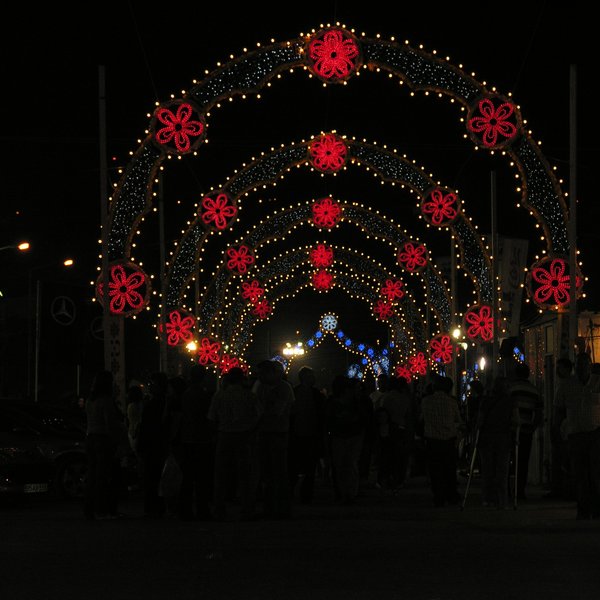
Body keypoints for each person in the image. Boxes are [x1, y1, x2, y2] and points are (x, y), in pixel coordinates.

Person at [208, 366, 263, 521]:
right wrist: (252, 428)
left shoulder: (220, 395)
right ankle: (247, 508)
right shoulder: (249, 395)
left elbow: (212, 417)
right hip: (244, 435)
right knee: (245, 474)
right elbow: (260, 414)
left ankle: (219, 508)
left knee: (221, 474)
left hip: (224, 434)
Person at [553, 352, 600, 520]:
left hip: (595, 434)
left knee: (595, 474)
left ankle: (596, 508)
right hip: (575, 435)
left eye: (585, 364)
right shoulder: (566, 385)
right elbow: (559, 409)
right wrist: (557, 428)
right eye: (579, 364)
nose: (582, 368)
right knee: (579, 474)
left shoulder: (597, 382)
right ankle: (583, 508)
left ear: (590, 365)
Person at [253, 360, 295, 519]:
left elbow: (277, 411)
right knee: (267, 472)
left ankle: (281, 508)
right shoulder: (259, 386)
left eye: (263, 373)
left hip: (278, 433)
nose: (260, 376)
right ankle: (269, 507)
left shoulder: (284, 388)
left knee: (279, 471)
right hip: (264, 432)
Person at [83, 370, 122, 520]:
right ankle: (102, 509)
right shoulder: (106, 400)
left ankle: (90, 509)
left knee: (92, 475)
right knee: (103, 476)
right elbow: (110, 423)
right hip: (103, 439)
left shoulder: (90, 400)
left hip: (90, 437)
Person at [178, 364, 216, 520]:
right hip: (202, 439)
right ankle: (202, 509)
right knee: (202, 477)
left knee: (188, 477)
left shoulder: (186, 395)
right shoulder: (204, 395)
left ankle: (186, 509)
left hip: (188, 438)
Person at [419, 375, 463, 507]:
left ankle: (438, 496)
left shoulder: (426, 401)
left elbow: (421, 418)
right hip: (448, 439)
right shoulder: (451, 402)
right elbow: (458, 420)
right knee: (449, 469)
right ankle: (451, 495)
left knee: (435, 470)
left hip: (432, 439)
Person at [477, 376, 520, 509]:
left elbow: (480, 420)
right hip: (503, 438)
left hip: (487, 438)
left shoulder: (486, 401)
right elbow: (516, 420)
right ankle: (502, 500)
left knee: (487, 469)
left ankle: (487, 498)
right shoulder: (510, 402)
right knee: (502, 470)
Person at [288, 366, 327, 505]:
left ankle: (299, 493)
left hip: (304, 434)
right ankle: (303, 494)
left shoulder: (298, 392)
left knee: (302, 467)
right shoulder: (313, 394)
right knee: (303, 467)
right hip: (304, 434)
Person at [326, 375, 368, 505]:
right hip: (343, 435)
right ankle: (346, 492)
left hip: (350, 435)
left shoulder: (354, 402)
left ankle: (348, 492)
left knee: (348, 464)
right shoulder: (337, 402)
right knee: (344, 464)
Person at [137, 371, 170, 519]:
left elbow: (146, 426)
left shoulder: (155, 403)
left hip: (153, 443)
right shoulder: (164, 402)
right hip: (159, 443)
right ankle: (157, 507)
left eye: (152, 384)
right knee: (156, 477)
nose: (150, 387)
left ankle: (152, 507)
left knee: (152, 477)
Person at [509, 363, 543, 500]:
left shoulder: (511, 388)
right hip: (526, 430)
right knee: (523, 461)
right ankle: (520, 490)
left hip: (511, 429)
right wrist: (532, 427)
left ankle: (507, 490)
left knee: (508, 460)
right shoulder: (534, 390)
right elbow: (539, 412)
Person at [379, 375, 413, 492]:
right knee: (400, 456)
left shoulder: (386, 398)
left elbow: (382, 412)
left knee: (389, 455)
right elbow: (408, 415)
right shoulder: (404, 398)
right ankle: (398, 479)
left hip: (390, 428)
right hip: (401, 428)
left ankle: (389, 478)